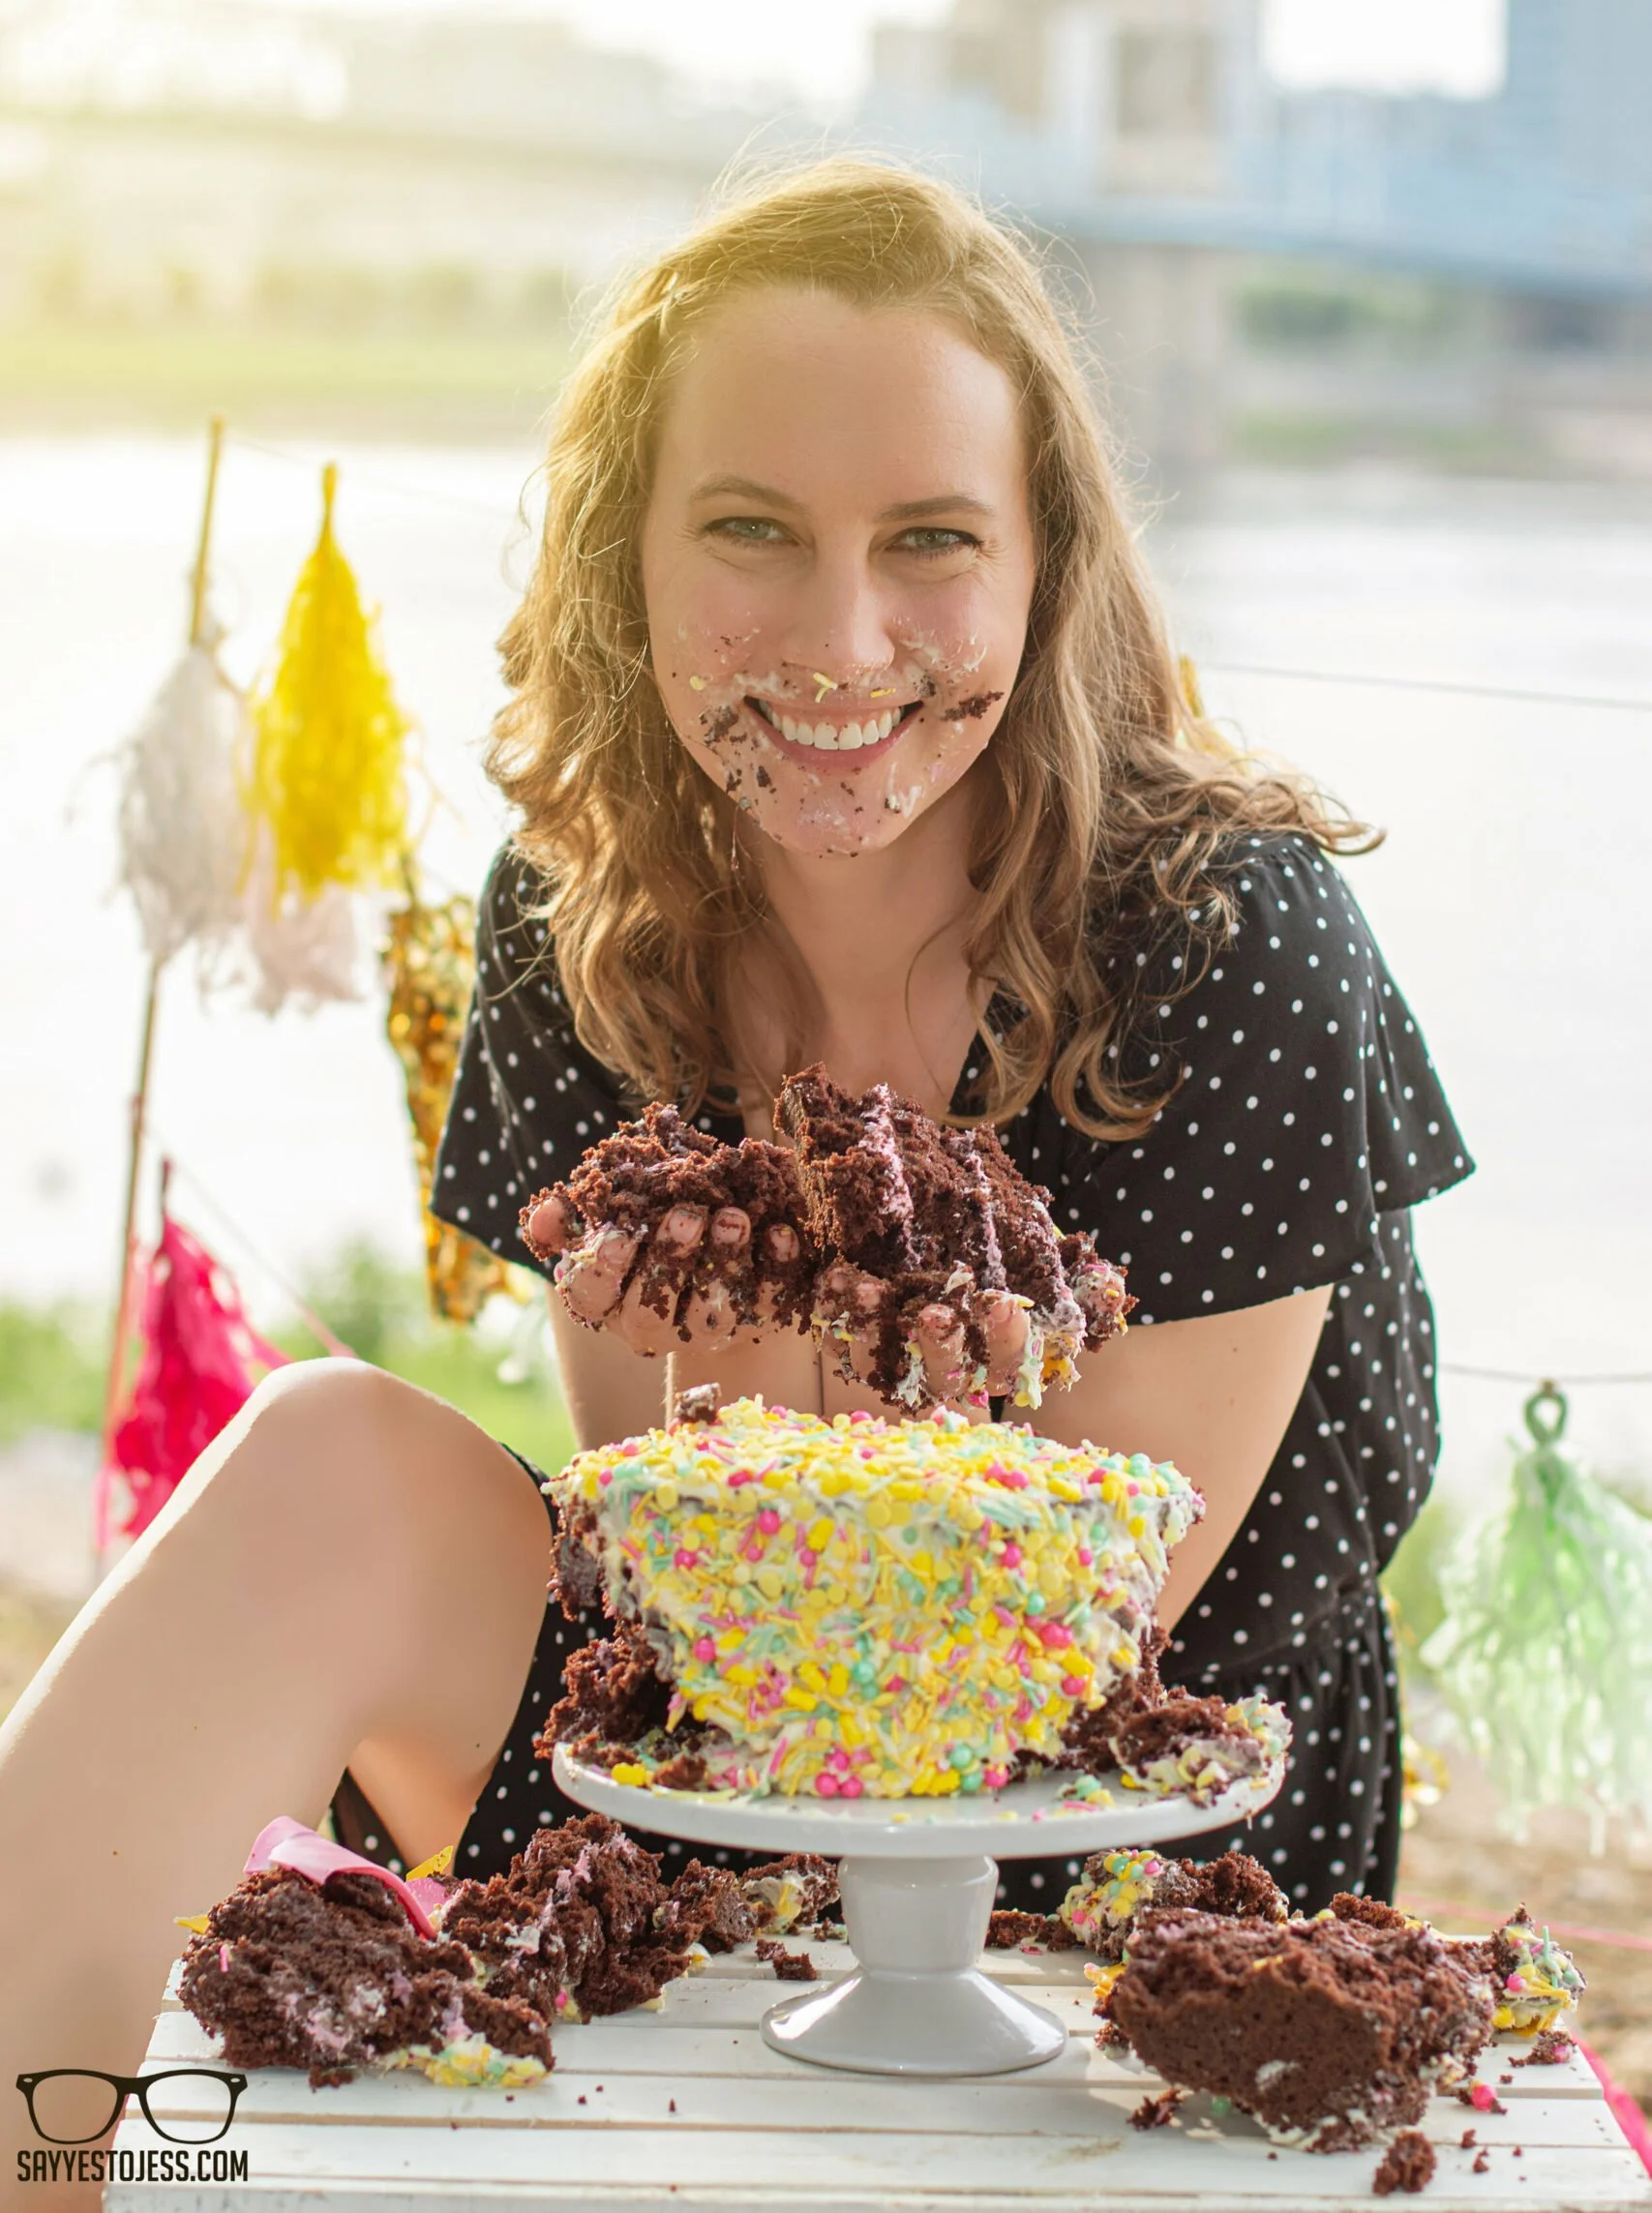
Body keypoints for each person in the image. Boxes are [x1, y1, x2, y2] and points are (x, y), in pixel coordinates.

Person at [0, 161, 1468, 2194]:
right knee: (324, 1448)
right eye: (751, 532)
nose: (839, 638)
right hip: (701, 1759)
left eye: (930, 541)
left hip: (1134, 1863)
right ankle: (42, 2149)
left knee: (996, 1686)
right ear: (626, 551)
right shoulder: (578, 916)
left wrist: (792, 1272)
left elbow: (1049, 1660)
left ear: (1047, 567)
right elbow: (685, 1585)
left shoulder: (1226, 934)